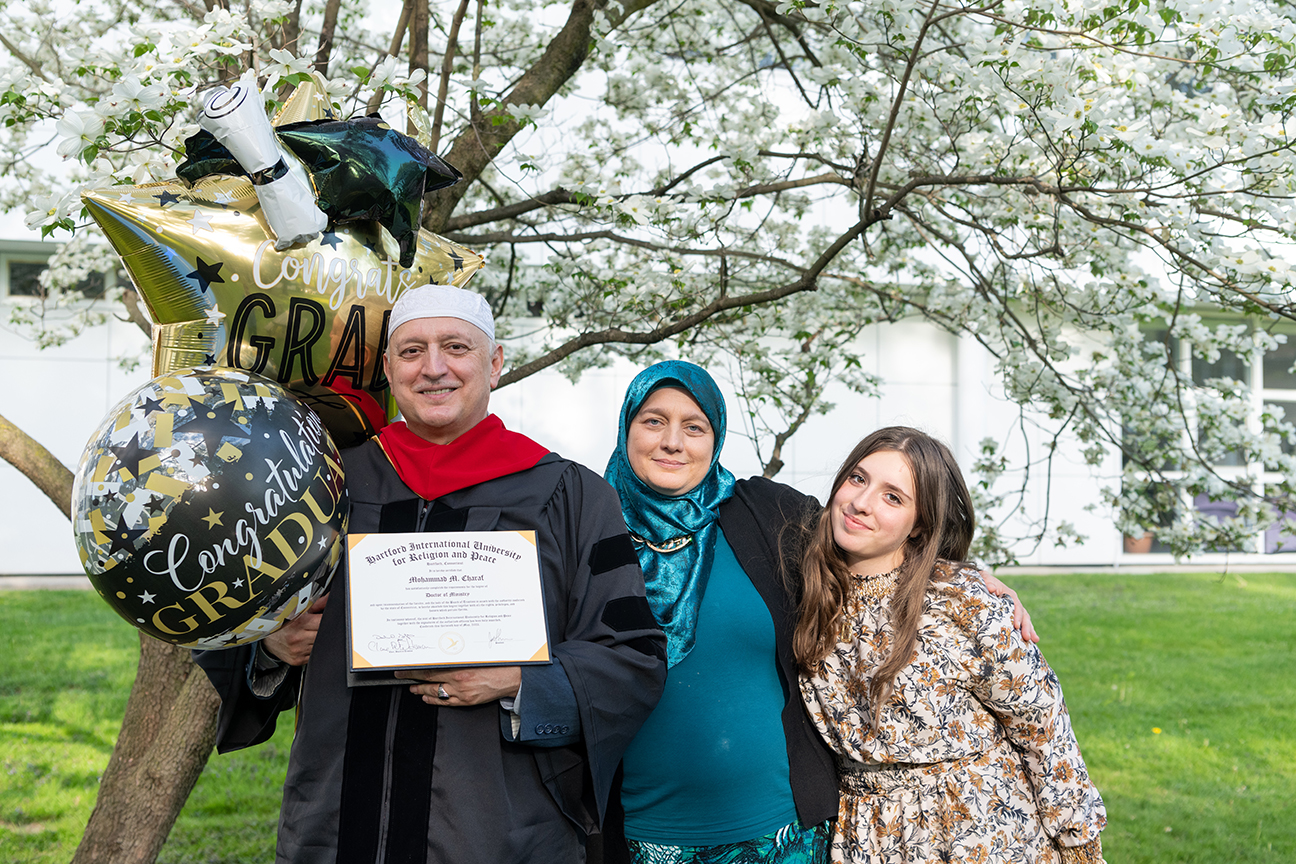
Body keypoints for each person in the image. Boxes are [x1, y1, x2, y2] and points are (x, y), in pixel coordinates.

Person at [195, 285, 667, 864]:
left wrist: (520, 680)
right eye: (412, 350)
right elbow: (231, 623)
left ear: (494, 365)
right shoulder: (322, 484)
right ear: (389, 369)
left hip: (494, 827)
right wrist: (269, 646)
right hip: (337, 819)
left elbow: (632, 657)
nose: (434, 367)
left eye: (456, 347)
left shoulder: (569, 495)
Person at [598, 363, 1037, 864]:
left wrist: (961, 576)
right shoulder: (586, 527)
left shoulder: (764, 512)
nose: (673, 442)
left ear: (715, 438)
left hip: (783, 833)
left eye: (694, 427)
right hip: (643, 836)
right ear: (627, 426)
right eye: (653, 421)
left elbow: (869, 535)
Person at [795, 427, 1106, 864]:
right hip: (868, 834)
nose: (862, 503)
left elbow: (1041, 720)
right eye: (858, 479)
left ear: (920, 523)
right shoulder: (807, 586)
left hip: (979, 829)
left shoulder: (961, 600)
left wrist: (1078, 842)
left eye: (893, 497)